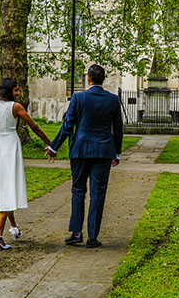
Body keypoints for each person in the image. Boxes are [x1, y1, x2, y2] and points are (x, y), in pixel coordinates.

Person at [45, 64, 123, 248]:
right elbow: (118, 130)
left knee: (78, 190)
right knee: (98, 193)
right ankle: (93, 237)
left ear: (88, 79)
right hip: (103, 151)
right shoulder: (113, 100)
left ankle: (77, 232)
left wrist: (54, 147)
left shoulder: (78, 98)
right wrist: (117, 152)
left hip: (80, 150)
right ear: (103, 79)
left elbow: (67, 125)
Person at [0, 77, 51, 250]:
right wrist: (49, 142)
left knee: (5, 188)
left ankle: (13, 228)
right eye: (16, 90)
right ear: (8, 91)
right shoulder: (15, 107)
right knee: (7, 190)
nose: (18, 93)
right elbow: (34, 127)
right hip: (9, 148)